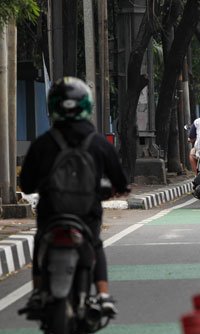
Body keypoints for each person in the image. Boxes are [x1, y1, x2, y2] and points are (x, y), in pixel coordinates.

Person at [20, 77, 129, 317]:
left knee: (41, 242)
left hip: (51, 212)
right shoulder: (99, 143)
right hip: (87, 211)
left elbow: (26, 185)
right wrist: (117, 190)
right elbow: (120, 181)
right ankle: (102, 295)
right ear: (86, 106)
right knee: (95, 244)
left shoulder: (43, 143)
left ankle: (38, 292)